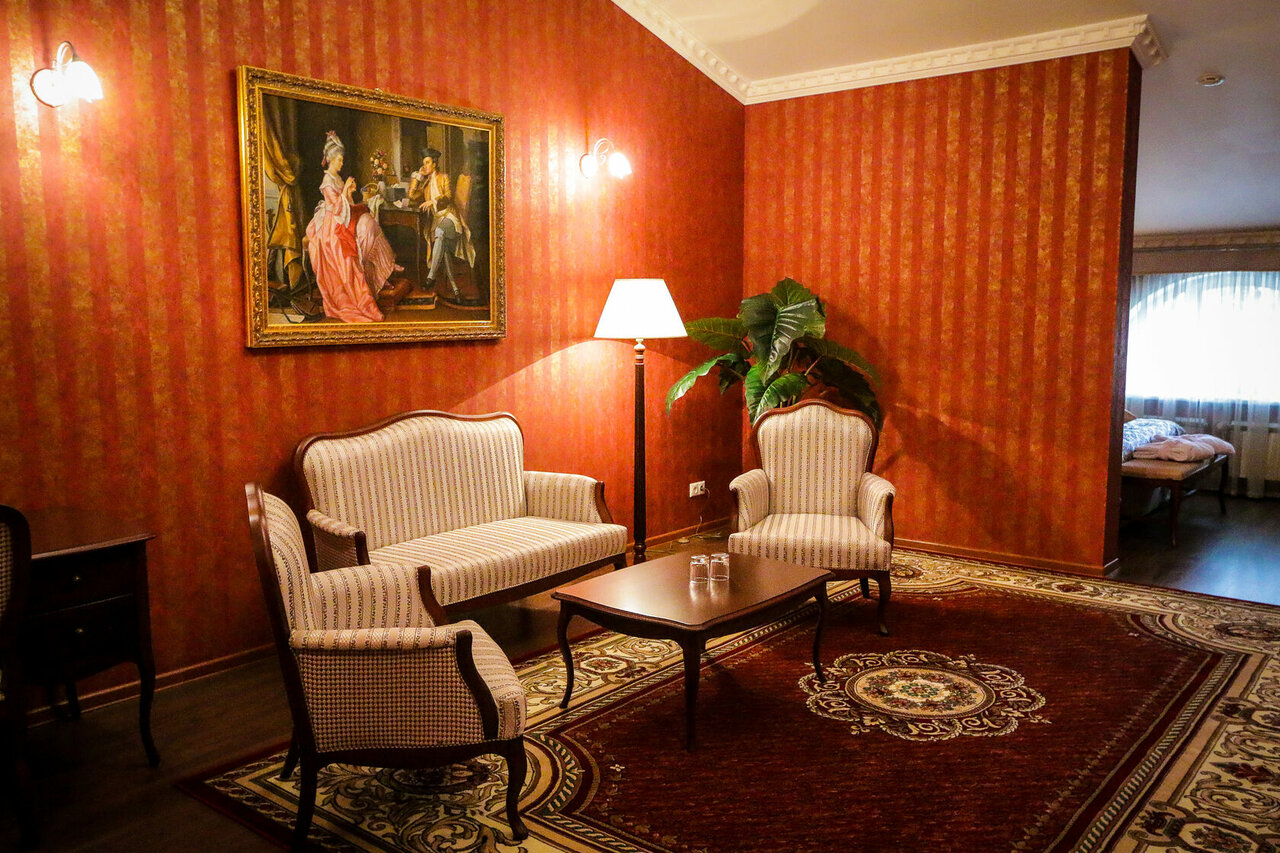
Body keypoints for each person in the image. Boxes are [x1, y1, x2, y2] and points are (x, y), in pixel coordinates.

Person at [304, 131, 402, 323]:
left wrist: (348, 192)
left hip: (342, 217)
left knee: (369, 223)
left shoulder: (337, 178)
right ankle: (361, 301)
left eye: (342, 160)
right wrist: (345, 193)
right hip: (331, 224)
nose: (342, 163)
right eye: (339, 160)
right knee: (346, 256)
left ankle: (382, 271)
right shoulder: (327, 182)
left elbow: (346, 203)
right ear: (331, 159)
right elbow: (336, 208)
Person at [424, 194, 480, 304]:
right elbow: (413, 195)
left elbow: (448, 195)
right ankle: (455, 289)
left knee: (439, 232)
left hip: (450, 216)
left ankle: (431, 276)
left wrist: (433, 201)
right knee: (443, 247)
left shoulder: (443, 181)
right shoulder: (426, 184)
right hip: (438, 217)